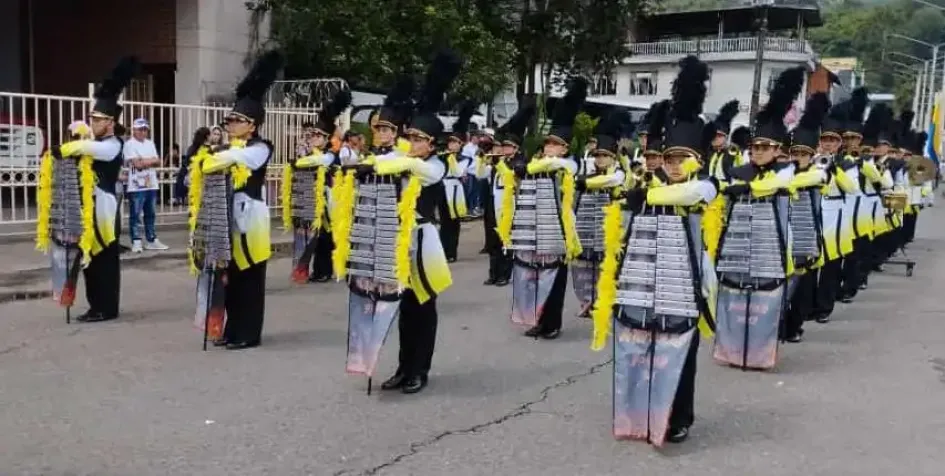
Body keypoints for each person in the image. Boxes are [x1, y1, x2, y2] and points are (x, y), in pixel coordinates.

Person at [591, 55, 719, 446]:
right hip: (641, 278)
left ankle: (679, 417)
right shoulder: (645, 185)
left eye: (683, 158)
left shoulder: (705, 183)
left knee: (680, 349)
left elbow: (691, 193)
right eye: (669, 158)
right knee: (637, 345)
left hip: (683, 281)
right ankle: (639, 412)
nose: (675, 164)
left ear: (697, 158)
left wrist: (643, 193)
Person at [335, 50, 462, 395]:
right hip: (394, 241)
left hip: (422, 242)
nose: (416, 144)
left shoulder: (434, 165)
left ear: (431, 143)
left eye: (421, 140)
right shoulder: (396, 157)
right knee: (402, 307)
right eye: (414, 138)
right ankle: (404, 368)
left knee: (423, 307)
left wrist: (376, 163)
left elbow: (406, 168)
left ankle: (420, 369)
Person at [712, 66, 803, 371]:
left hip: (772, 249)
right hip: (738, 246)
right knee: (735, 298)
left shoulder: (786, 171)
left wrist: (743, 186)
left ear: (779, 150)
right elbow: (724, 189)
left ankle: (760, 354)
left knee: (767, 304)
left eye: (765, 147)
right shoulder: (740, 170)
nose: (758, 151)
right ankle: (733, 352)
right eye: (755, 146)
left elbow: (769, 187)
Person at [193, 51, 281, 350]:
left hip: (251, 220)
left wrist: (217, 154)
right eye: (229, 120)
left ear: (252, 125)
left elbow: (226, 159)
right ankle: (231, 329)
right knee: (229, 276)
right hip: (227, 217)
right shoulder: (227, 147)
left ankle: (248, 332)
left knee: (250, 279)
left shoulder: (261, 147)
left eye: (236, 120)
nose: (230, 124)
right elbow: (204, 164)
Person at [51, 57, 139, 322]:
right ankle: (95, 305)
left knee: (104, 261)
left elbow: (88, 149)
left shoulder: (113, 145)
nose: (93, 122)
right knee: (89, 259)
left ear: (110, 122)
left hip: (105, 208)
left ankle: (107, 307)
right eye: (92, 118)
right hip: (88, 207)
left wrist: (68, 148)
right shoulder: (93, 139)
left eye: (97, 119)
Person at [500, 77, 587, 340]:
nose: (549, 148)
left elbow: (550, 168)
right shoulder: (539, 162)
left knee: (555, 277)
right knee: (536, 275)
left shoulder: (569, 165)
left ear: (565, 147)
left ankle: (552, 323)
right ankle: (539, 319)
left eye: (555, 144)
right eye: (547, 143)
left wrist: (527, 167)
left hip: (559, 228)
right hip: (536, 225)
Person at [285, 89, 349, 282]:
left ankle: (324, 271)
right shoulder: (310, 153)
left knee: (325, 238)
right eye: (312, 135)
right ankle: (311, 269)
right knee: (313, 236)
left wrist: (298, 163)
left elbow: (317, 162)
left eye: (317, 136)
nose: (313, 138)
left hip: (328, 201)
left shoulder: (330, 154)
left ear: (326, 139)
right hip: (311, 201)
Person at [782, 93, 830, 343]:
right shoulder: (783, 173)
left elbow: (815, 179)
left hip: (806, 239)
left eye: (803, 153)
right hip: (783, 238)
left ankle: (794, 327)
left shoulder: (817, 174)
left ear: (811, 155)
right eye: (794, 152)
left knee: (801, 290)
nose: (797, 157)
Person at [571, 111, 626, 318]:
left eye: (605, 156)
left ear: (613, 157)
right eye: (598, 155)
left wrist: (587, 182)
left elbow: (612, 181)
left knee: (606, 267)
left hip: (608, 230)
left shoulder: (618, 175)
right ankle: (587, 302)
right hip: (585, 228)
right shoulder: (585, 174)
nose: (600, 159)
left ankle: (605, 302)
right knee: (582, 268)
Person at [811, 97, 860, 323]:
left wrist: (835, 168)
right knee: (810, 264)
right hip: (814, 212)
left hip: (836, 214)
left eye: (833, 140)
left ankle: (824, 308)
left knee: (831, 265)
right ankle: (808, 305)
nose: (828, 144)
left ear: (840, 144)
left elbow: (852, 188)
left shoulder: (847, 164)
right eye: (825, 140)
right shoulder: (811, 160)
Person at [481, 101, 533, 286]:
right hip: (494, 204)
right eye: (503, 147)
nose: (504, 150)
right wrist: (484, 159)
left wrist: (499, 163)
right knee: (494, 240)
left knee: (507, 240)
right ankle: (493, 273)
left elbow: (512, 177)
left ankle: (505, 274)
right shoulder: (498, 161)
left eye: (508, 147)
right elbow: (481, 175)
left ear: (516, 148)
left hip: (510, 206)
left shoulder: (519, 163)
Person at [439, 100, 476, 262]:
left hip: (455, 189)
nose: (451, 145)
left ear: (460, 145)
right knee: (443, 221)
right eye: (450, 142)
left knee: (453, 222)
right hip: (443, 188)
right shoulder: (443, 156)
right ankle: (442, 250)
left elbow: (458, 172)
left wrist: (451, 158)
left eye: (455, 143)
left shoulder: (464, 159)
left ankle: (451, 252)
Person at [123, 118, 168, 252]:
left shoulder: (150, 143)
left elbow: (158, 161)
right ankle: (136, 240)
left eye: (145, 129)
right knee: (135, 213)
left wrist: (143, 160)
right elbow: (137, 164)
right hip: (136, 185)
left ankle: (151, 239)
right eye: (140, 129)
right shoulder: (129, 144)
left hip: (151, 183)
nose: (143, 132)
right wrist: (149, 161)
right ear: (134, 130)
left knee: (151, 213)